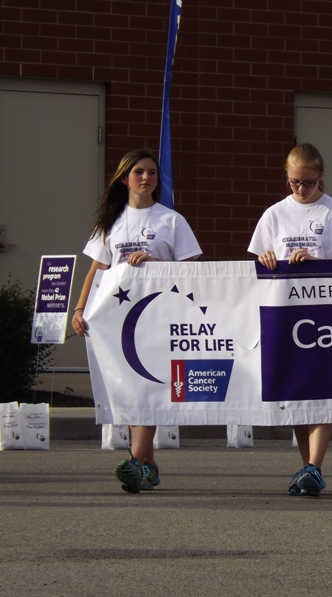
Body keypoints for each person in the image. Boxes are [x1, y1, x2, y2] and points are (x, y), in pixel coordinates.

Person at [71, 149, 202, 493]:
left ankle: (134, 461)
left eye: (152, 172)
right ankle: (148, 465)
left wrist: (156, 264)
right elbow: (96, 270)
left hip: (158, 318)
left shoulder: (171, 220)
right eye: (139, 172)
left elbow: (193, 271)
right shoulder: (110, 222)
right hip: (116, 321)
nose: (146, 178)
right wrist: (80, 309)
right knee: (130, 391)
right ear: (125, 178)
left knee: (148, 387)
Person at [248, 143, 332, 497]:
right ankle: (307, 466)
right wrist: (266, 258)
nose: (301, 189)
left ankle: (315, 464)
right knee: (298, 390)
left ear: (322, 176)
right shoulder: (274, 214)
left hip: (324, 314)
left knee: (322, 387)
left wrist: (316, 263)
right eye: (294, 182)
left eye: (309, 182)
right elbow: (257, 262)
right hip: (286, 312)